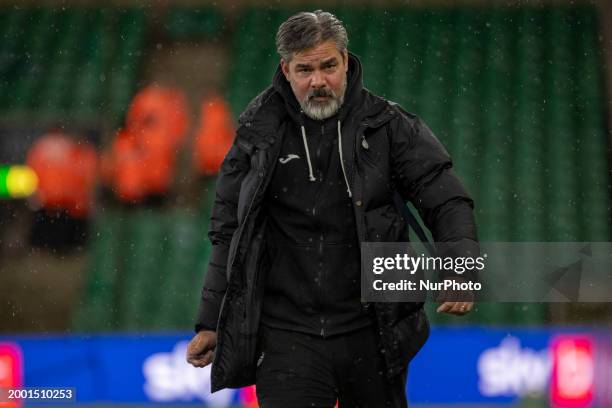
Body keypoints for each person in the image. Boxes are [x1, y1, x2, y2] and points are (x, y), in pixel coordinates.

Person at [187, 10, 479, 408]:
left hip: (374, 332)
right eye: (305, 69)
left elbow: (446, 200)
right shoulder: (257, 134)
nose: (318, 81)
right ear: (286, 70)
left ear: (346, 60)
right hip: (286, 337)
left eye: (328, 66)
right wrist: (210, 321)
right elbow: (228, 232)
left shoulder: (388, 127)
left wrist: (459, 268)